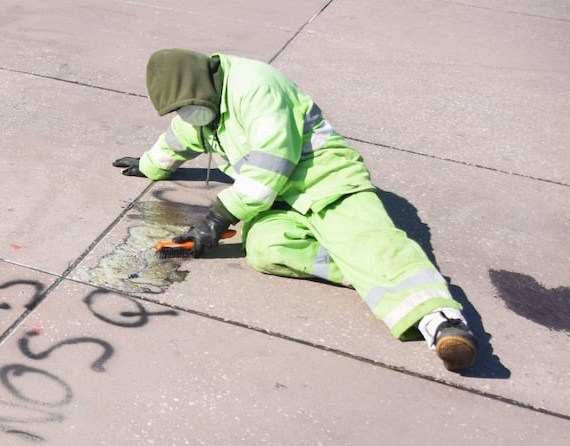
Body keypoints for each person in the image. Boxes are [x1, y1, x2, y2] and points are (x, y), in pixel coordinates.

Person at [113, 48, 477, 370]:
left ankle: (441, 321)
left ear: (197, 87)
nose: (186, 115)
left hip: (326, 181)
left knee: (367, 239)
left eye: (186, 107)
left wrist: (216, 219)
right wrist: (149, 165)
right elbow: (182, 137)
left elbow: (271, 166)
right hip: (278, 199)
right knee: (265, 249)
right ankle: (372, 273)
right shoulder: (205, 98)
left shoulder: (257, 88)